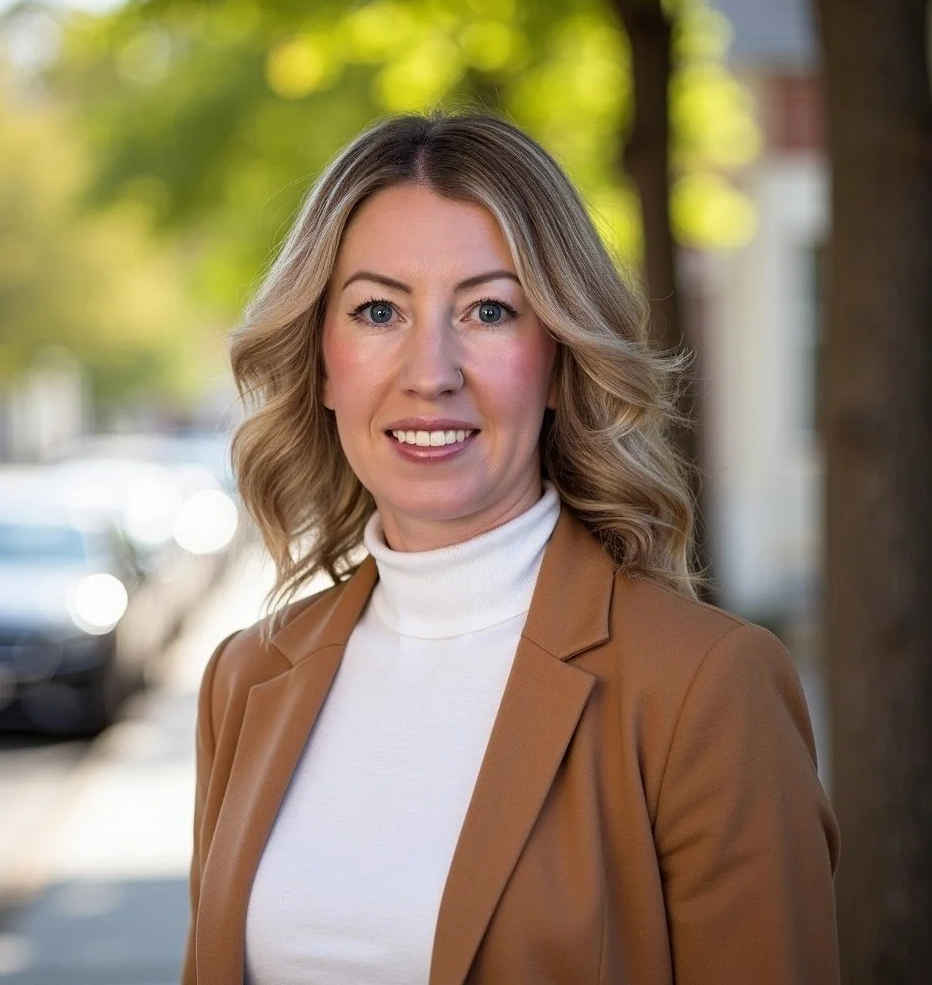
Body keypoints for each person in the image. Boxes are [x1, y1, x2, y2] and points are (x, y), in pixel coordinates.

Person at [182, 113, 840, 985]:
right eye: (379, 310)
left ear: (560, 358)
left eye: (489, 311)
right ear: (323, 364)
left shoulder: (705, 687)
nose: (432, 371)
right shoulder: (245, 680)